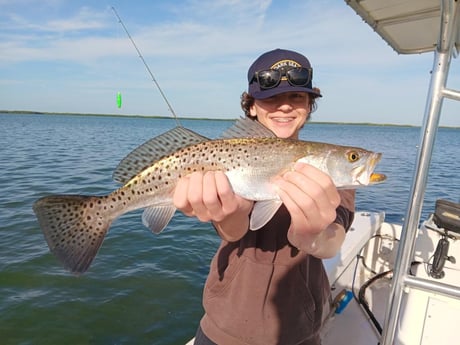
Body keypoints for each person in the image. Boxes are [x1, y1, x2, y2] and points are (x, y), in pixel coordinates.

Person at [173, 48, 355, 345]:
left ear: (309, 106)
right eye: (271, 98)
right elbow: (232, 231)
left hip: (298, 329)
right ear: (252, 108)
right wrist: (230, 213)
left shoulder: (330, 170)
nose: (284, 107)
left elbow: (332, 242)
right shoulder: (226, 156)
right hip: (222, 326)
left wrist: (311, 236)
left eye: (296, 97)